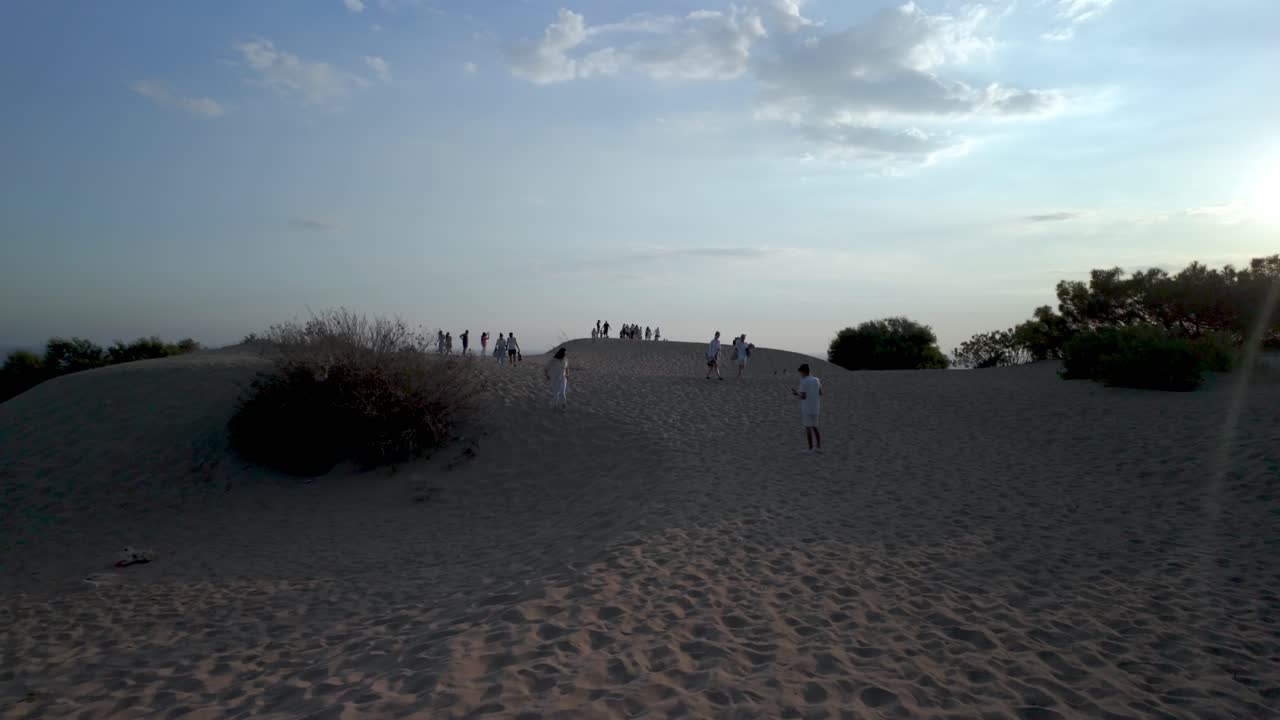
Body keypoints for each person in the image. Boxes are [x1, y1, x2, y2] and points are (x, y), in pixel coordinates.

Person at [792, 363, 823, 453]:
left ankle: (810, 448)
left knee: (808, 428)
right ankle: (818, 447)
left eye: (800, 372)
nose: (800, 374)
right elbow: (820, 392)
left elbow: (803, 396)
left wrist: (797, 394)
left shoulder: (804, 381)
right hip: (816, 407)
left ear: (803, 372)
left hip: (807, 408)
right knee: (815, 427)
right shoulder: (817, 380)